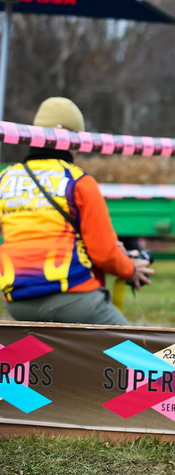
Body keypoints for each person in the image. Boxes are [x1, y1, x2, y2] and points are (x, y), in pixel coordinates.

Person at [0, 96, 153, 324]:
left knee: (43, 348)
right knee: (130, 347)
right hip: (74, 298)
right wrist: (130, 269)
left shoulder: (5, 178)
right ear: (73, 139)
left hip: (17, 301)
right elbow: (103, 253)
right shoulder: (79, 181)